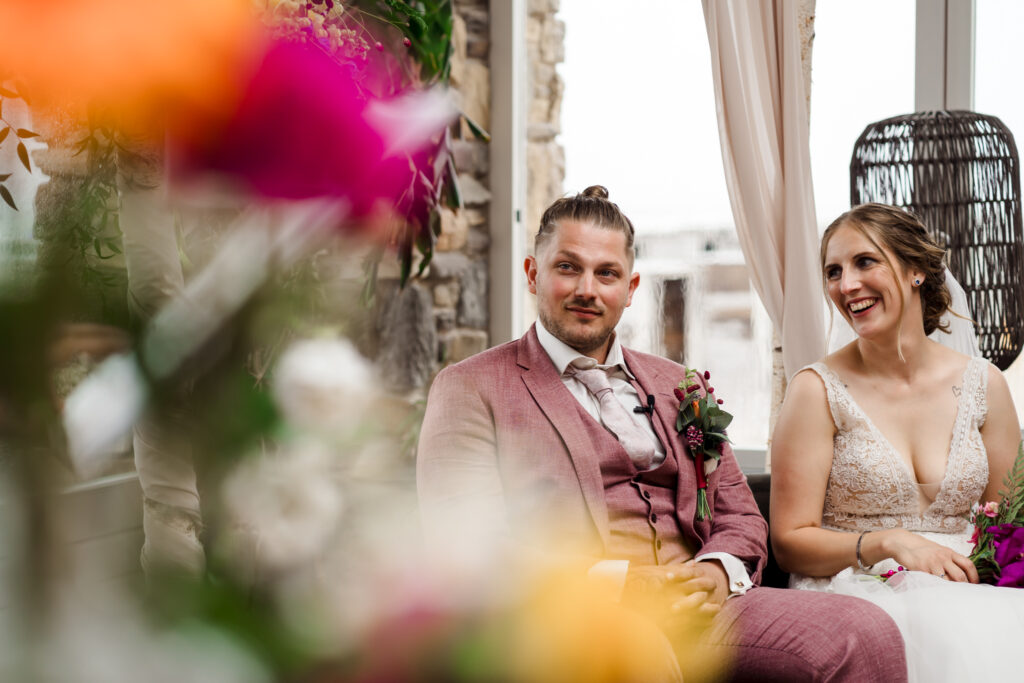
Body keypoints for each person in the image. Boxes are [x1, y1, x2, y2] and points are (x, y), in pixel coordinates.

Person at [418, 186, 908, 682]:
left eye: (606, 273)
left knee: (861, 630)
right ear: (532, 274)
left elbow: (739, 512)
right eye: (568, 267)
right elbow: (467, 546)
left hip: (704, 604)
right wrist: (624, 586)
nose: (588, 289)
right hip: (569, 616)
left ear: (630, 289)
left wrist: (717, 571)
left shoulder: (679, 383)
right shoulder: (471, 387)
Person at [771, 203, 1024, 682]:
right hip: (853, 588)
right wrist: (888, 542)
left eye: (865, 262)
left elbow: (1011, 526)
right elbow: (789, 543)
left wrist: (985, 577)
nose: (846, 286)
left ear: (916, 272)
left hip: (968, 586)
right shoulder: (815, 389)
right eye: (833, 271)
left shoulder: (984, 384)